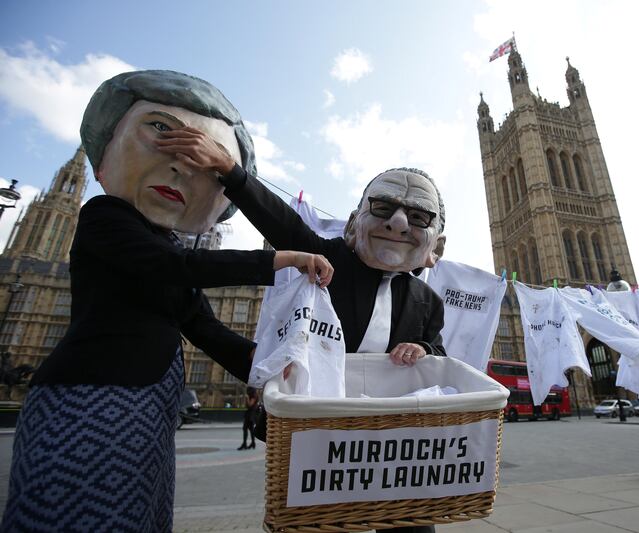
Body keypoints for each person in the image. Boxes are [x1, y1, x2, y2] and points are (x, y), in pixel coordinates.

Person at [1, 70, 333, 533]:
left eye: (205, 166)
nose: (181, 168)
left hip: (151, 415)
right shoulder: (104, 219)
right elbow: (176, 269)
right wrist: (281, 259)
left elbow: (205, 329)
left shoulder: (169, 247)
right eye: (160, 131)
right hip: (87, 404)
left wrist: (274, 367)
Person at [155, 130, 448, 533]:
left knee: (411, 527)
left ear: (436, 245)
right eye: (382, 207)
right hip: (318, 436)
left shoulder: (428, 300)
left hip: (393, 443)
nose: (398, 225)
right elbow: (280, 221)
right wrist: (228, 170)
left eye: (419, 217)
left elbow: (439, 356)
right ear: (354, 222)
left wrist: (423, 349)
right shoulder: (326, 260)